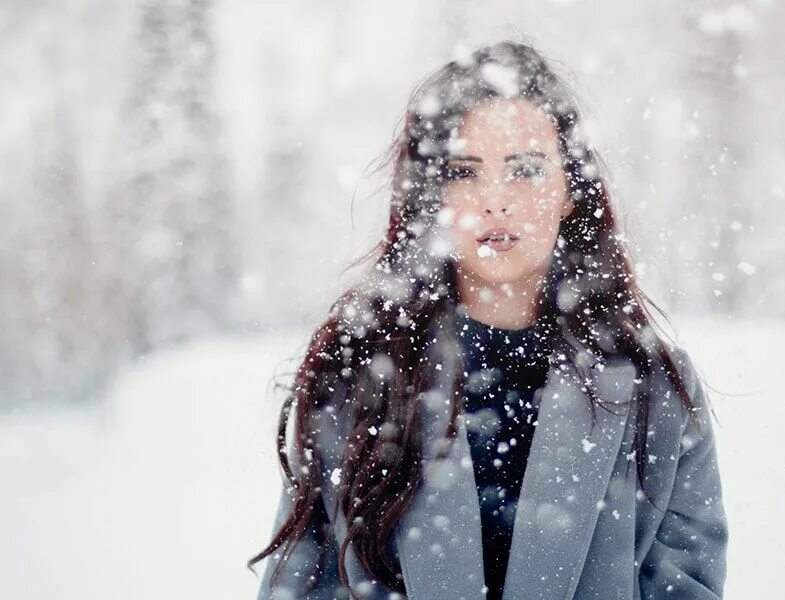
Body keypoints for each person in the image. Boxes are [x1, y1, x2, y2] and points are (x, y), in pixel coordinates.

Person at [248, 40, 728, 600]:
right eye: (465, 172)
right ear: (433, 193)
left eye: (524, 170)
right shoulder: (358, 374)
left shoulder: (653, 387)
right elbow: (303, 586)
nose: (495, 201)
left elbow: (687, 587)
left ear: (570, 188)